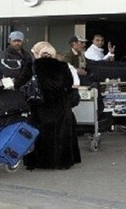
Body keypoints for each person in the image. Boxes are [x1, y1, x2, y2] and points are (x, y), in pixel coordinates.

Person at [23, 42, 81, 170]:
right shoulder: (63, 66)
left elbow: (22, 82)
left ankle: (39, 162)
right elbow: (69, 84)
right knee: (61, 134)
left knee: (39, 133)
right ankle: (62, 162)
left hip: (40, 104)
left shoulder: (32, 66)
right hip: (61, 104)